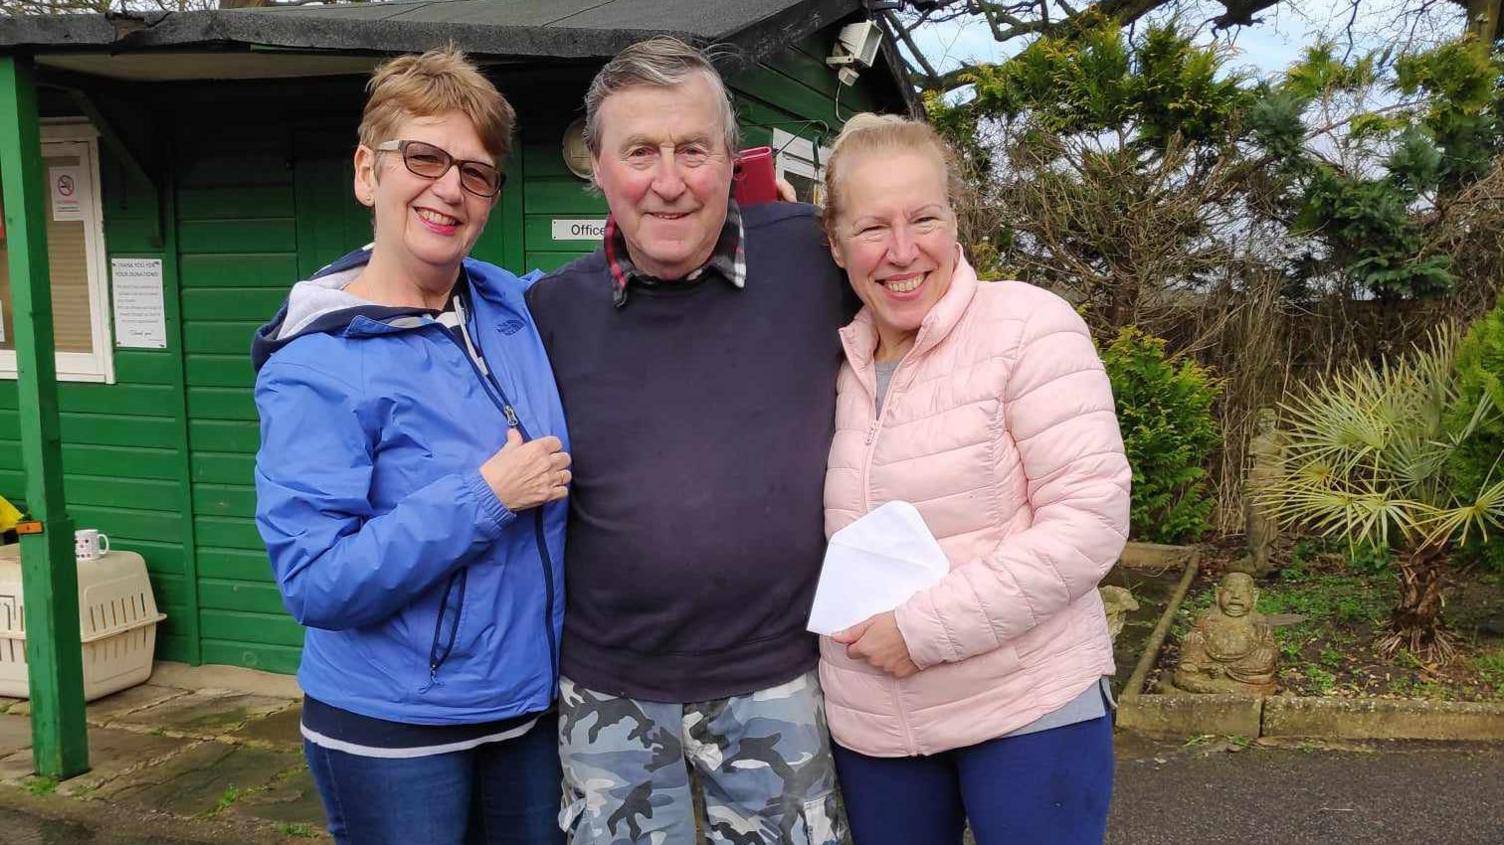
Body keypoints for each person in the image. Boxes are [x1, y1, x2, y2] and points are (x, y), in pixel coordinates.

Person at [525, 36, 850, 845]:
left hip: (778, 677)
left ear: (729, 158)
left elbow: (929, 278)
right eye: (640, 152)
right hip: (608, 691)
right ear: (598, 168)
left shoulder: (818, 259)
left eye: (692, 150)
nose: (668, 182)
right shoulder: (549, 315)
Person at [252, 47, 570, 845]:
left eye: (476, 171)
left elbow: (630, 282)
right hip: (393, 729)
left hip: (526, 712)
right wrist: (486, 496)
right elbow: (317, 580)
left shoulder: (510, 305)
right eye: (423, 157)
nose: (449, 188)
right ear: (368, 172)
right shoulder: (318, 362)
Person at [818, 113, 1132, 845]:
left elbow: (1088, 522)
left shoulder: (1028, 327)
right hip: (877, 720)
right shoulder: (831, 363)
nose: (902, 251)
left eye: (923, 217)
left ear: (956, 221)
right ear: (835, 243)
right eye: (871, 228)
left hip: (1026, 705)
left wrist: (922, 630)